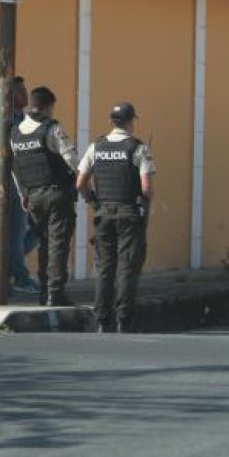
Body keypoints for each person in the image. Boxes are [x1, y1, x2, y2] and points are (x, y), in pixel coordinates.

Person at [76, 102, 155, 333]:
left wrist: (93, 201)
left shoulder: (95, 147)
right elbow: (147, 189)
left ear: (111, 122)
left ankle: (102, 320)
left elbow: (80, 183)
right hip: (129, 214)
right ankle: (123, 320)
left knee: (104, 267)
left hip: (103, 214)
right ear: (131, 122)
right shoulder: (138, 149)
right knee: (127, 267)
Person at [10, 86, 79, 306]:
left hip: (32, 196)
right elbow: (72, 159)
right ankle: (55, 294)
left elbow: (16, 168)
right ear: (49, 106)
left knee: (44, 244)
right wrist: (84, 180)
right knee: (58, 244)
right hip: (56, 193)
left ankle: (44, 293)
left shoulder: (16, 132)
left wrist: (23, 194)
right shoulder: (51, 128)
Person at [7, 77, 41, 295]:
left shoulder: (25, 119)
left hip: (29, 181)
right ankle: (20, 275)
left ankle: (12, 263)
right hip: (13, 182)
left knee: (37, 228)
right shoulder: (8, 120)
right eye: (20, 91)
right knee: (17, 231)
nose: (25, 95)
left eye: (25, 90)